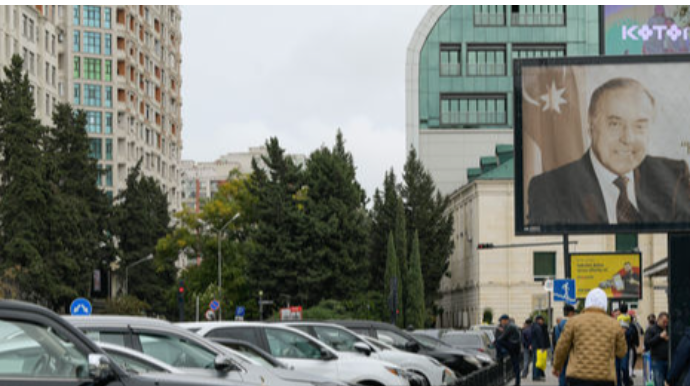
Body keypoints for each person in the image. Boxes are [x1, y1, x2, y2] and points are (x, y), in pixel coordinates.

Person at [528, 77, 690, 226]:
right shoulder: (550, 190)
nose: (628, 138)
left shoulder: (674, 176)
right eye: (615, 124)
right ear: (591, 126)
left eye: (639, 126)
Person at [553, 288, 627, 386]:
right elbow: (622, 352)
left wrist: (557, 366)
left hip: (577, 377)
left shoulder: (573, 322)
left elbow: (562, 347)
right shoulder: (614, 324)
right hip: (605, 378)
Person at [495, 315, 523, 386]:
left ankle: (500, 356)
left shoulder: (509, 326)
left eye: (501, 321)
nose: (501, 323)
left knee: (498, 342)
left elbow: (503, 337)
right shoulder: (511, 325)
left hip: (513, 346)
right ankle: (517, 382)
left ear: (505, 320)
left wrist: (495, 342)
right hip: (516, 346)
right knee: (515, 364)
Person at [645, 312, 669, 386]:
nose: (665, 324)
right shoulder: (651, 329)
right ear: (658, 319)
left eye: (667, 322)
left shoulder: (668, 329)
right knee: (659, 382)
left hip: (669, 360)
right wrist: (659, 337)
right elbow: (647, 344)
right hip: (657, 360)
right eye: (664, 322)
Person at [555, 305, 576, 386]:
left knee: (562, 374)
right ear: (571, 313)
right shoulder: (572, 324)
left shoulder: (558, 326)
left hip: (561, 353)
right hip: (571, 353)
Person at [531, 315, 549, 382]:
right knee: (537, 361)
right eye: (542, 320)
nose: (543, 321)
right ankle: (536, 376)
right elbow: (540, 338)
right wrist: (542, 347)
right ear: (539, 320)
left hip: (535, 346)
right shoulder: (538, 327)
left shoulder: (534, 326)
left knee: (535, 361)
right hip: (538, 347)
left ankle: (535, 375)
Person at [616, 321, 633, 386]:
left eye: (623, 328)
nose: (622, 329)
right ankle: (619, 384)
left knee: (624, 368)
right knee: (617, 369)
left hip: (625, 351)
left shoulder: (628, 333)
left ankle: (626, 381)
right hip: (616, 352)